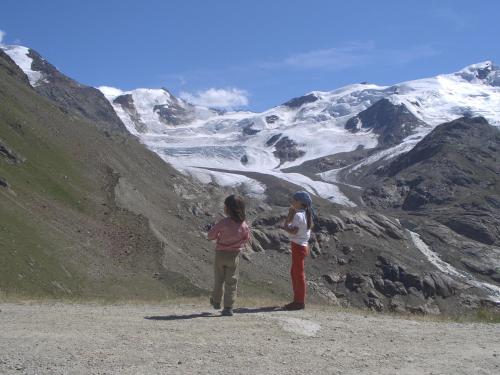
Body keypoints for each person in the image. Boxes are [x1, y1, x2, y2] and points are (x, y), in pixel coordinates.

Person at [207, 195, 250, 316]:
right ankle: (228, 307)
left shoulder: (223, 222)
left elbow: (210, 236)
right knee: (231, 281)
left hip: (220, 254)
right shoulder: (244, 225)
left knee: (219, 279)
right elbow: (246, 238)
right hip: (234, 256)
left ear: (228, 208)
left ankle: (216, 301)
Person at [282, 191, 314, 311]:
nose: (292, 202)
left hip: (298, 246)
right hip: (303, 246)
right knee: (295, 272)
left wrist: (286, 222)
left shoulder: (298, 215)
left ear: (300, 202)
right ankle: (297, 300)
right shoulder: (306, 214)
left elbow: (293, 231)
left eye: (294, 200)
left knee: (298, 274)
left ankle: (299, 302)